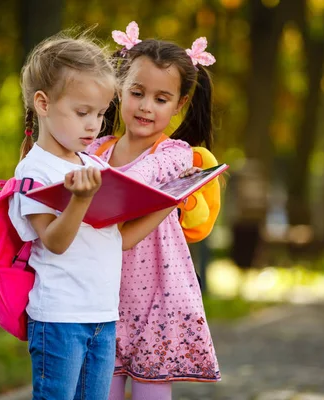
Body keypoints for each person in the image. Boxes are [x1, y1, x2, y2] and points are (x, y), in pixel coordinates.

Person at [8, 32, 178, 400]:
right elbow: (54, 242)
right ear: (43, 103)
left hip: (102, 313)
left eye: (101, 114)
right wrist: (80, 200)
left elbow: (121, 239)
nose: (94, 126)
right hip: (59, 318)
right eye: (82, 113)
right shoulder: (33, 171)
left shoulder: (92, 163)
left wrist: (170, 202)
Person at [87, 22, 221, 400]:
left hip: (158, 300)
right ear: (120, 90)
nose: (146, 106)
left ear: (179, 105)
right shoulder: (95, 150)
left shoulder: (175, 155)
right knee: (101, 391)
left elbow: (144, 178)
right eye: (137, 93)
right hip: (102, 299)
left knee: (151, 394)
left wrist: (101, 178)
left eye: (161, 99)